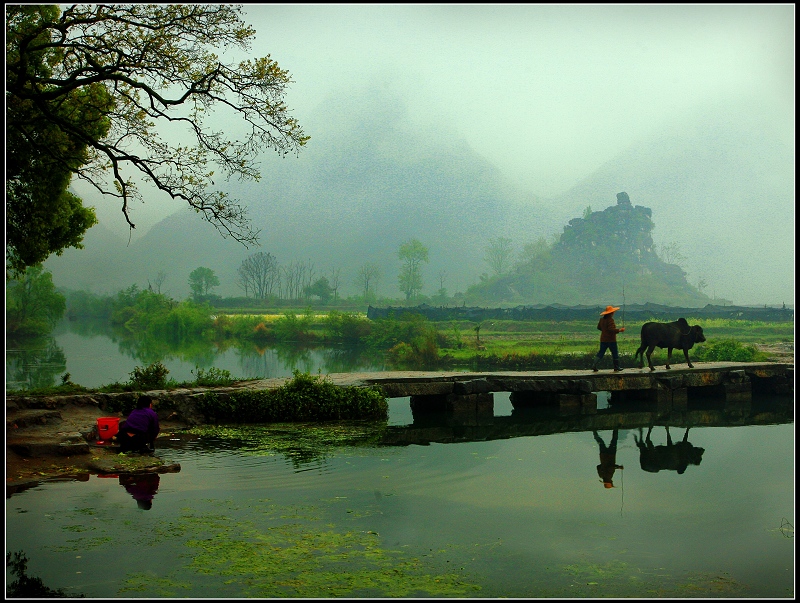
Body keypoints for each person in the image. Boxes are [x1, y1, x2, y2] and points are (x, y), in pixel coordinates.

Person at [591, 305, 625, 372]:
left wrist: (604, 331)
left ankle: (594, 364)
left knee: (601, 352)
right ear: (611, 313)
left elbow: (599, 327)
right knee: (615, 353)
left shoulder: (602, 320)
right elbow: (611, 330)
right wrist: (620, 330)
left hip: (603, 339)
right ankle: (616, 367)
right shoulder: (611, 320)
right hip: (611, 340)